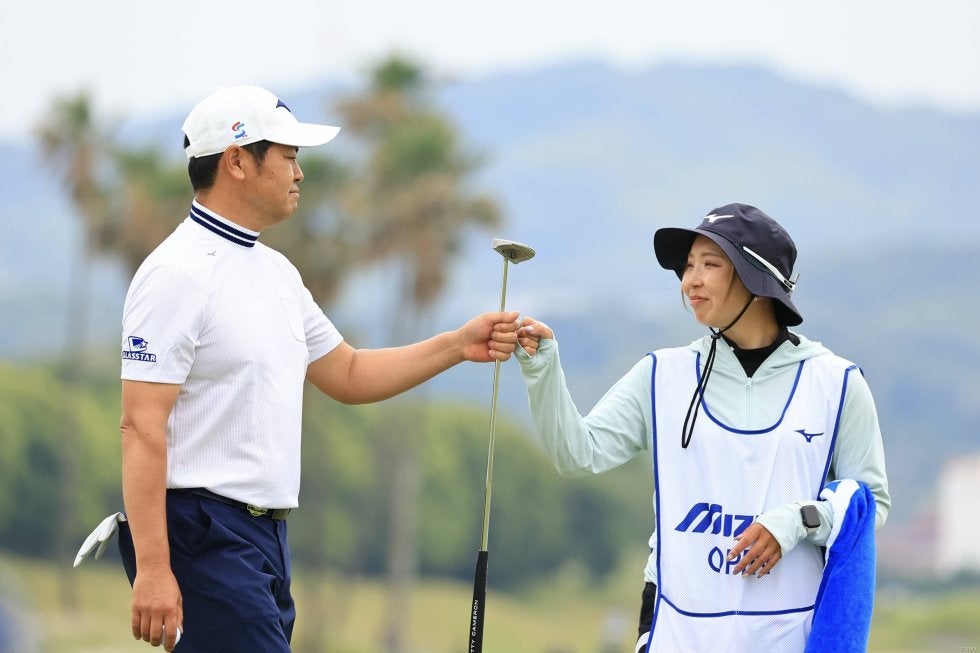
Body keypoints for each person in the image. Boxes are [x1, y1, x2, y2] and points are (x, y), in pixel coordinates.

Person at [116, 85, 520, 652]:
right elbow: (141, 425)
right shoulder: (176, 274)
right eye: (288, 156)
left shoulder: (277, 272)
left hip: (266, 537)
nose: (299, 173)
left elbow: (348, 374)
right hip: (200, 532)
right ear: (237, 160)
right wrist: (155, 568)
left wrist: (458, 344)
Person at [515, 204, 889, 652]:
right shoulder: (660, 374)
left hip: (790, 629)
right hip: (677, 625)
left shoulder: (837, 383)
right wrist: (542, 368)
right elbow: (577, 453)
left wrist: (797, 520)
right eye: (687, 266)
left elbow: (869, 505)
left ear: (757, 278)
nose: (690, 280)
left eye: (710, 264)